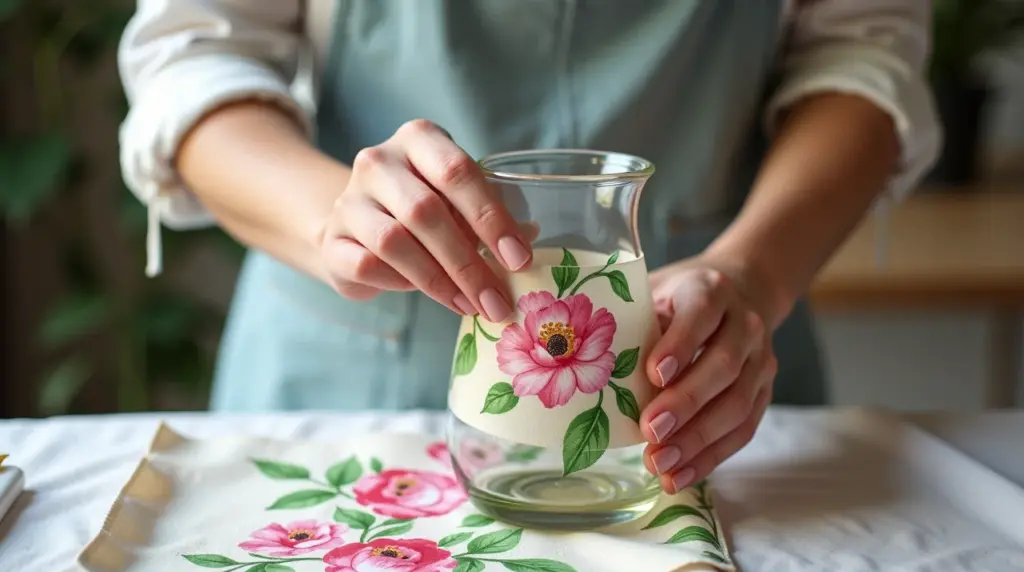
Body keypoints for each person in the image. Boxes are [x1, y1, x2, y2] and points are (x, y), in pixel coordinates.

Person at [118, 0, 940, 494]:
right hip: (343, 373)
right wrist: (336, 214)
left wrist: (753, 272)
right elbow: (196, 54)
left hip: (705, 370)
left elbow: (863, 47)